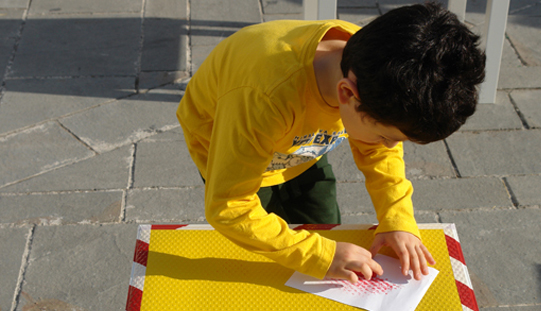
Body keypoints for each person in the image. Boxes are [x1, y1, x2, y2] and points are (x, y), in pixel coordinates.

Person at [177, 2, 485, 283]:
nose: (390, 148)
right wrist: (320, 256)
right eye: (388, 137)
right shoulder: (264, 96)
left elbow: (376, 145)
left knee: (326, 235)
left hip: (301, 149)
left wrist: (397, 218)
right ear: (347, 94)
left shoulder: (375, 66)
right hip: (231, 144)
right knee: (260, 264)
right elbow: (228, 206)